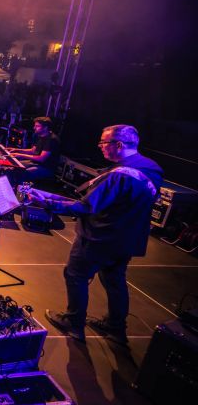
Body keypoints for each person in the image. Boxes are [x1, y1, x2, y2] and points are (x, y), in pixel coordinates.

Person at [30, 124, 162, 344]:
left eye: (103, 142)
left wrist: (48, 202)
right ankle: (116, 328)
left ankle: (74, 323)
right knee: (114, 280)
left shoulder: (118, 176)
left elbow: (85, 207)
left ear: (118, 145)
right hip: (128, 239)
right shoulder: (152, 167)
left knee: (76, 275)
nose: (100, 146)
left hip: (100, 238)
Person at [8, 116, 61, 182]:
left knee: (24, 173)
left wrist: (20, 155)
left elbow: (41, 158)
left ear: (45, 127)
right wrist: (17, 150)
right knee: (13, 167)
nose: (34, 128)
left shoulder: (52, 139)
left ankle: (19, 187)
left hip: (46, 168)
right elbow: (33, 150)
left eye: (37, 126)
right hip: (35, 163)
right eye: (35, 126)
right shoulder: (41, 136)